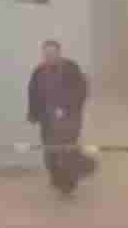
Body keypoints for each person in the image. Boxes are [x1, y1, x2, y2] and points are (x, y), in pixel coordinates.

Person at [27, 40, 97, 195]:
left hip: (69, 119)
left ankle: (70, 182)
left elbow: (81, 91)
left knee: (66, 151)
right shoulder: (38, 72)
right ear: (43, 54)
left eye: (52, 53)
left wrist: (66, 108)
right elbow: (33, 93)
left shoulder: (71, 68)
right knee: (50, 153)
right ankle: (57, 179)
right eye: (46, 54)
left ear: (59, 53)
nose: (49, 56)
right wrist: (33, 114)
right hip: (47, 120)